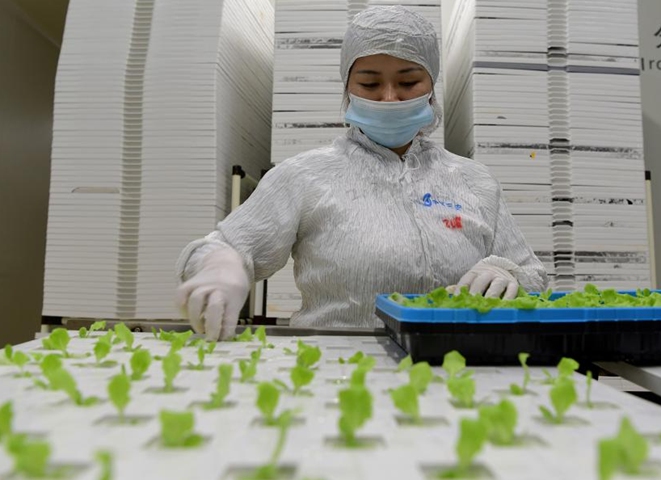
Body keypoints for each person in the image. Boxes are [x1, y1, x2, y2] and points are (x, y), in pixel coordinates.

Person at [176, 5, 548, 341]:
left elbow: (532, 273)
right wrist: (220, 265)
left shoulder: (475, 181)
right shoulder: (306, 175)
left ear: (432, 88)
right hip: (334, 373)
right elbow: (223, 245)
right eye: (369, 84)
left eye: (408, 82)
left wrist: (510, 276)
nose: (389, 98)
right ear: (348, 90)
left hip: (455, 371)